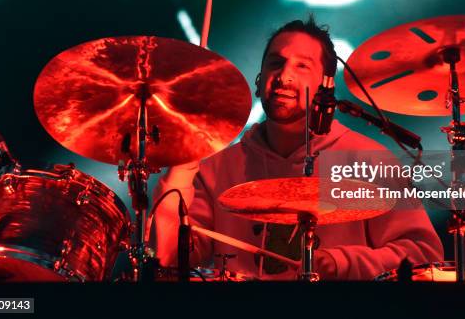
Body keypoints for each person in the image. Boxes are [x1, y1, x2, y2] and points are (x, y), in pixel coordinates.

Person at [153, 17, 443, 280]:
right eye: (275, 63)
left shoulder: (370, 160)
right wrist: (185, 155)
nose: (284, 76)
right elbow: (170, 258)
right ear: (258, 81)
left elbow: (422, 254)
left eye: (302, 65)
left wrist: (340, 263)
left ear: (326, 85)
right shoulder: (216, 166)